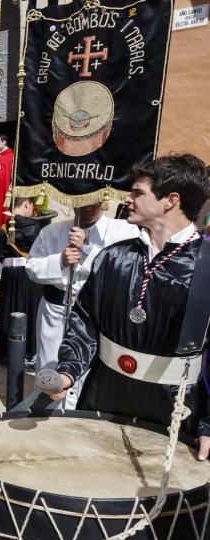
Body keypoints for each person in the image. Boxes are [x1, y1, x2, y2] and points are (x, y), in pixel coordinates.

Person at [46, 154, 210, 463]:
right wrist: (68, 370)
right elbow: (85, 322)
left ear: (170, 201)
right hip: (105, 393)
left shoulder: (206, 265)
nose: (128, 199)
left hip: (174, 407)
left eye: (138, 192)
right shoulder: (113, 258)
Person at [27, 202, 138, 409]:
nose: (88, 206)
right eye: (82, 201)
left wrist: (88, 248)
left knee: (87, 368)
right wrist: (59, 260)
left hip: (93, 312)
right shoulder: (51, 231)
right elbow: (32, 268)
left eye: (94, 201)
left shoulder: (123, 230)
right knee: (51, 366)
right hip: (55, 310)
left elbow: (125, 268)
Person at [0, 195, 50, 364]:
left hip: (10, 274)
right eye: (32, 206)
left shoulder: (3, 228)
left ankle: (6, 353)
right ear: (27, 203)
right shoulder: (38, 228)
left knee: (7, 311)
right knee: (30, 311)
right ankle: (28, 353)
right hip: (31, 275)